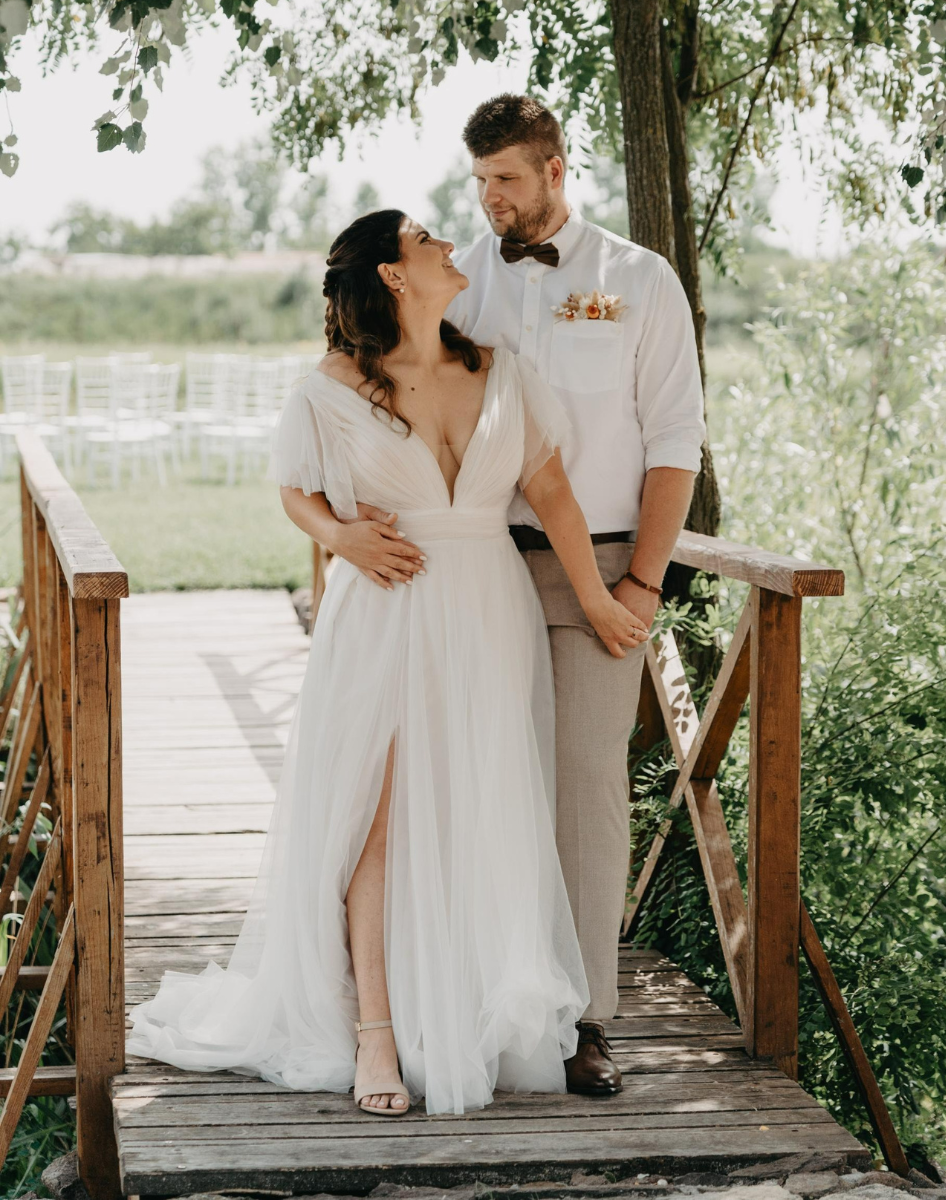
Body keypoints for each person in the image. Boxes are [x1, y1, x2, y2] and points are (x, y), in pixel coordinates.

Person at [124, 208, 651, 1118]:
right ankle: (373, 1029)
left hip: (489, 610)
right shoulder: (327, 389)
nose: (450, 243)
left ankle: (469, 1006)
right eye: (425, 240)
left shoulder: (496, 370)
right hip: (386, 610)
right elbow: (295, 491)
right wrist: (339, 538)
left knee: (477, 800)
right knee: (374, 810)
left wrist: (600, 598)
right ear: (395, 277)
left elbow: (552, 491)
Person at [444, 95, 706, 1095]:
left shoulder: (641, 282)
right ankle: (479, 1003)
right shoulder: (459, 285)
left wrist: (640, 577)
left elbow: (674, 440)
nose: (490, 199)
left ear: (555, 170)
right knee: (482, 784)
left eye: (506, 178)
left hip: (600, 574)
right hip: (479, 569)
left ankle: (587, 1019)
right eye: (479, 182)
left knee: (587, 792)